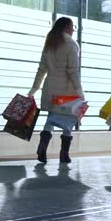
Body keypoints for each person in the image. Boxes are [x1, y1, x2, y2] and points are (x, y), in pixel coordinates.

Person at [28, 17, 84, 164]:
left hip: (51, 89)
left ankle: (42, 147)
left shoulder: (50, 43)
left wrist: (34, 88)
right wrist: (79, 91)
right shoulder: (71, 45)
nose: (73, 30)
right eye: (72, 27)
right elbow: (73, 71)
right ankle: (64, 154)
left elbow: (41, 69)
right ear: (66, 27)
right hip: (66, 91)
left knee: (50, 119)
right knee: (69, 120)